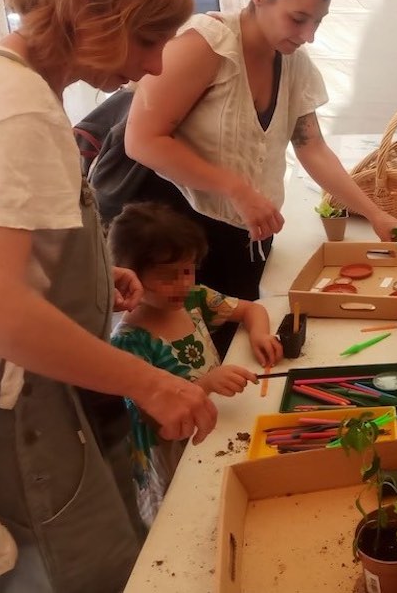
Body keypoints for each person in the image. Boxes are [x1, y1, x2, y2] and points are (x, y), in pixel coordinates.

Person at [0, 0, 217, 593]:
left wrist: (89, 275)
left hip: (48, 410)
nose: (153, 65)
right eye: (147, 39)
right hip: (23, 427)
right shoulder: (15, 105)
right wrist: (149, 382)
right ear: (95, 13)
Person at [120, 0, 397, 356]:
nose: (308, 34)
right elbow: (142, 140)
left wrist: (373, 214)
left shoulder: (293, 62)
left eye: (318, 21)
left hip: (247, 238)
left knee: (246, 354)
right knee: (198, 366)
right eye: (298, 18)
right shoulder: (205, 45)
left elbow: (312, 147)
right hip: (182, 243)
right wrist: (237, 188)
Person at [107, 202, 282, 525]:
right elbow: (156, 423)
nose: (183, 283)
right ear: (127, 275)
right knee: (188, 523)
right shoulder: (127, 343)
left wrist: (259, 334)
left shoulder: (193, 300)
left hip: (215, 433)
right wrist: (206, 384)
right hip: (175, 457)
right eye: (167, 276)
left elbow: (251, 310)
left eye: (188, 270)